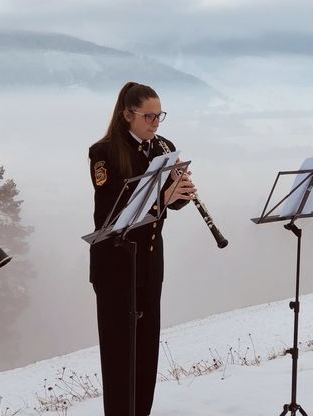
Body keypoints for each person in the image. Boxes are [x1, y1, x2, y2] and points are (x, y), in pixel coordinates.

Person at [88, 82, 196, 416]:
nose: (155, 123)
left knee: (147, 354)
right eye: (148, 116)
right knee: (120, 357)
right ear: (127, 115)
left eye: (159, 115)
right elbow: (112, 212)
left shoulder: (165, 147)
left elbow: (169, 205)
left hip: (150, 263)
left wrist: (180, 193)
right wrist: (162, 199)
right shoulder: (103, 152)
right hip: (115, 265)